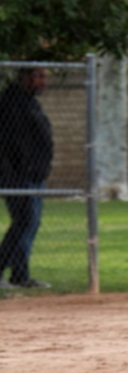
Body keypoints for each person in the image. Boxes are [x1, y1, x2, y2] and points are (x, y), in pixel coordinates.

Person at [0, 68, 53, 289]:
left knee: (30, 223)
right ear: (25, 77)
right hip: (18, 175)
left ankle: (21, 275)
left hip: (35, 175)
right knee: (23, 221)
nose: (43, 82)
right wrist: (25, 166)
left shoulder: (30, 103)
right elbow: (13, 141)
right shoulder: (11, 103)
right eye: (38, 77)